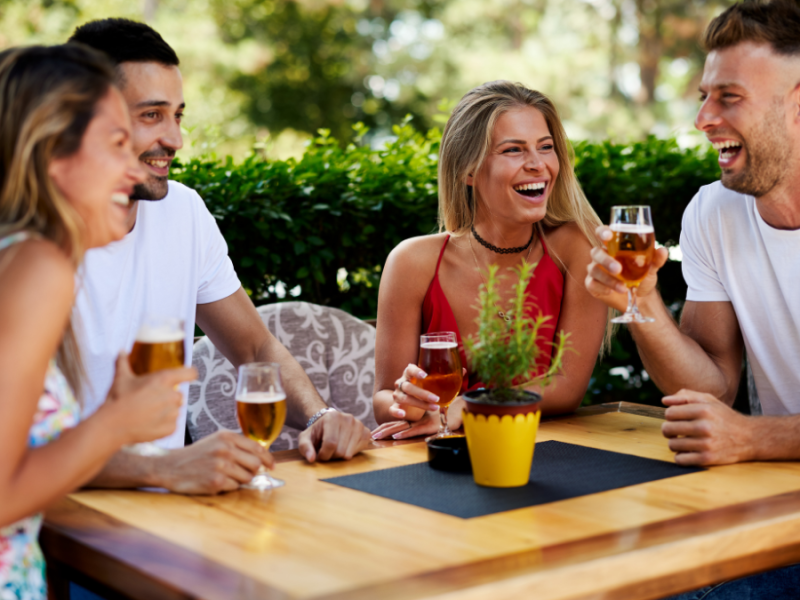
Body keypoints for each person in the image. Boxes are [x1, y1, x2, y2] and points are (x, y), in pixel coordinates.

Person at [67, 19, 372, 496]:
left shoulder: (182, 211)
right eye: (152, 116)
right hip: (61, 525)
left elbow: (255, 349)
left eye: (178, 116)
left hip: (171, 514)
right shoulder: (29, 244)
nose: (175, 139)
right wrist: (163, 468)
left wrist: (320, 415)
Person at [585, 1, 800, 596]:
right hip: (776, 511)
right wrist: (643, 301)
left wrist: (754, 438)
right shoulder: (714, 211)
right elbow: (713, 388)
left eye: (728, 97)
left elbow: (737, 427)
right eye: (704, 96)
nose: (703, 118)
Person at [0, 44, 199, 600]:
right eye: (116, 144)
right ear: (52, 155)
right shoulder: (35, 267)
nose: (132, 164)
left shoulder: (18, 257)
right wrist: (117, 423)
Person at [372, 81, 608, 440]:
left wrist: (468, 406)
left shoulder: (576, 247)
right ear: (468, 171)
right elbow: (383, 398)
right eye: (513, 150)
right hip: (441, 457)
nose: (537, 164)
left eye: (545, 147)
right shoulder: (411, 262)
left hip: (547, 454)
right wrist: (408, 402)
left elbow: (567, 387)